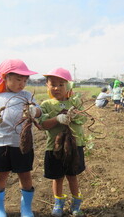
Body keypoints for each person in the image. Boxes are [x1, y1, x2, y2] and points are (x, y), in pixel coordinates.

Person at [0, 59, 41, 217]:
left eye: (24, 80)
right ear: (5, 78)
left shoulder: (27, 95)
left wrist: (33, 111)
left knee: (25, 174)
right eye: (18, 79)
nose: (22, 83)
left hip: (22, 144)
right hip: (0, 143)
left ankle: (26, 208)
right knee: (1, 175)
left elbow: (39, 111)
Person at [39, 68, 87, 217]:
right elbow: (42, 125)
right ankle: (58, 204)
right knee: (57, 177)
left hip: (74, 145)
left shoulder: (75, 101)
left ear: (68, 86)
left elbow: (84, 119)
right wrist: (57, 119)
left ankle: (76, 205)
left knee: (72, 176)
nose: (57, 88)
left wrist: (73, 115)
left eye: (61, 84)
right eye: (52, 84)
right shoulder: (46, 104)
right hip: (54, 146)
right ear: (47, 86)